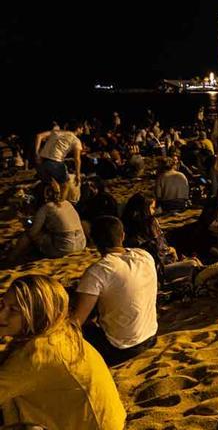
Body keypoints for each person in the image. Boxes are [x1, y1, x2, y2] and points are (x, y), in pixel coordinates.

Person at [0, 275, 126, 429]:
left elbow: (20, 368)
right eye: (2, 305)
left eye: (13, 310)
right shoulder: (60, 331)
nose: (1, 314)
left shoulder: (35, 353)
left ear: (37, 314)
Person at [72, 216, 158, 367]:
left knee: (77, 327)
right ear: (122, 236)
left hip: (120, 349)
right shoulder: (145, 256)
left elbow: (77, 320)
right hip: (150, 336)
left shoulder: (98, 271)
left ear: (93, 242)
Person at [6, 179, 86, 262]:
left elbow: (33, 232)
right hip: (81, 243)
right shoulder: (67, 203)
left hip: (64, 248)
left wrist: (25, 222)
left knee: (27, 235)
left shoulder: (46, 208)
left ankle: (11, 258)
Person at [34, 121, 83, 192]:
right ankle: (60, 202)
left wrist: (37, 153)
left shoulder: (56, 132)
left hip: (40, 162)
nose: (82, 131)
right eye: (82, 129)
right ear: (78, 129)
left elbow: (39, 136)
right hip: (55, 163)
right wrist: (78, 174)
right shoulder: (76, 140)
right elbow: (77, 159)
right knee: (65, 186)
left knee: (50, 184)